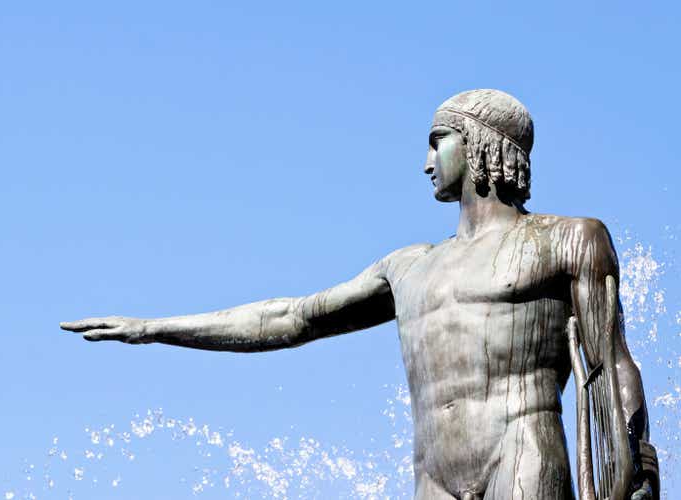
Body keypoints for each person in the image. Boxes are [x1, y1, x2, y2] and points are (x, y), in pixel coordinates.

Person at [62, 89, 657, 499]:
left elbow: (612, 364)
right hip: (434, 477)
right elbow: (291, 318)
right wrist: (154, 328)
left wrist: (638, 467)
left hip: (523, 454)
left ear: (478, 143)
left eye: (437, 141)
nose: (426, 162)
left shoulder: (568, 239)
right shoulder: (407, 268)